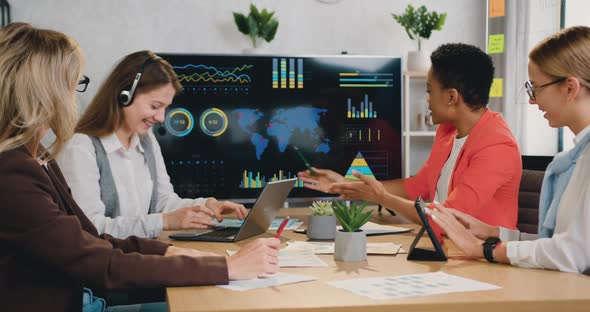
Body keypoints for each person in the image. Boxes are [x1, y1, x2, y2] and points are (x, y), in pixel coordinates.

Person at [0, 23, 279, 311]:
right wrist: (226, 267)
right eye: (73, 83)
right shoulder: (15, 173)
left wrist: (170, 249)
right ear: (46, 91)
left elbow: (91, 239)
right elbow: (99, 261)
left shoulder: (37, 158)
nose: (74, 95)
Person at [299, 43, 521, 230]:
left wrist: (381, 198)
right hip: (449, 252)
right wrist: (344, 183)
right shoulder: (447, 132)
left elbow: (448, 218)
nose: (426, 100)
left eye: (429, 91)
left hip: (484, 264)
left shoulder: (497, 146)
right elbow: (417, 187)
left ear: (452, 97)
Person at [426, 26, 590, 274]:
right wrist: (495, 233)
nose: (533, 100)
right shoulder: (576, 157)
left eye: (536, 88)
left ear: (570, 88)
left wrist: (486, 250)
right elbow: (561, 246)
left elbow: (570, 255)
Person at [56, 50, 248, 239]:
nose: (161, 117)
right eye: (155, 106)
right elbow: (90, 228)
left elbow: (163, 203)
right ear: (125, 94)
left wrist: (207, 206)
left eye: (165, 108)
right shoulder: (80, 148)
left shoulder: (146, 140)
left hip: (141, 256)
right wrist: (163, 222)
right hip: (107, 265)